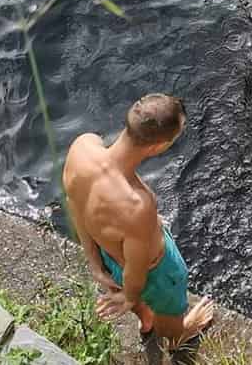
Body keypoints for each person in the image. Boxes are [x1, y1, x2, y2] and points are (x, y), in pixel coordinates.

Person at [62, 94, 214, 358]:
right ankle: (178, 336)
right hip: (156, 274)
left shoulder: (83, 146)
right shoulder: (137, 206)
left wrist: (95, 264)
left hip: (108, 256)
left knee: (135, 295)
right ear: (159, 147)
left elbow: (73, 203)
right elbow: (136, 271)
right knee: (167, 313)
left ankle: (146, 321)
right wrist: (130, 297)